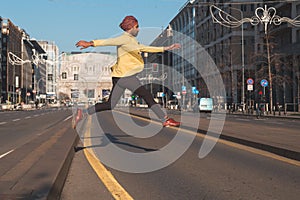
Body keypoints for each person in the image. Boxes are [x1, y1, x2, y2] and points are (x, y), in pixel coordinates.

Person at [73, 15, 181, 129]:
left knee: (110, 105)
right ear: (132, 27)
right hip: (126, 76)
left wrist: (166, 48)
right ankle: (165, 119)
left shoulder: (132, 41)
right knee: (146, 95)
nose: (138, 30)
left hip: (120, 77)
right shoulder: (124, 38)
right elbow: (108, 41)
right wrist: (90, 43)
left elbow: (145, 48)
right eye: (137, 27)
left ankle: (83, 113)